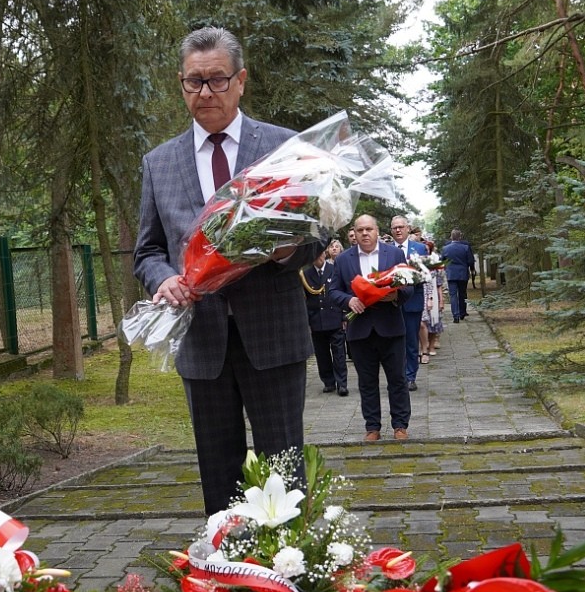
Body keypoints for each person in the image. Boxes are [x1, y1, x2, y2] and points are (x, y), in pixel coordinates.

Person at [133, 26, 317, 516]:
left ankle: (291, 557)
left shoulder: (283, 147)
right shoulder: (159, 163)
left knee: (284, 473)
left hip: (273, 335)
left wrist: (284, 251)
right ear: (181, 84)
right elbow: (147, 251)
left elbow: (316, 237)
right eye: (194, 82)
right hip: (201, 341)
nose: (205, 92)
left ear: (240, 81)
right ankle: (227, 559)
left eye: (217, 80)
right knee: (219, 479)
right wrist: (162, 279)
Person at [329, 214, 411, 441]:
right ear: (354, 234)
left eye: (369, 229)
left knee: (397, 379)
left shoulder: (394, 254)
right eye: (360, 230)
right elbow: (333, 291)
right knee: (367, 382)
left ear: (377, 231)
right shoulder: (343, 259)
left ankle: (400, 425)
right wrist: (349, 301)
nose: (365, 233)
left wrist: (395, 295)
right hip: (360, 330)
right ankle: (372, 427)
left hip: (391, 327)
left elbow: (408, 287)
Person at [302, 248, 348, 397]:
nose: (318, 257)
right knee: (322, 354)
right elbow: (304, 299)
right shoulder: (306, 274)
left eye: (320, 253)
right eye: (315, 254)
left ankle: (342, 383)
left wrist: (344, 316)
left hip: (334, 317)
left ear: (325, 253)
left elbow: (342, 292)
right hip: (316, 320)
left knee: (339, 353)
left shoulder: (334, 269)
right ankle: (328, 382)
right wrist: (307, 321)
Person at [390, 216, 428, 390]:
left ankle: (410, 376)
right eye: (395, 228)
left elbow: (425, 275)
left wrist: (409, 276)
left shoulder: (419, 248)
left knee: (411, 341)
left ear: (408, 228)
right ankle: (397, 375)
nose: (398, 230)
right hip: (391, 302)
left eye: (401, 227)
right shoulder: (386, 250)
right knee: (394, 341)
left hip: (412, 301)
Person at [442, 229, 475, 322]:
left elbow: (442, 261)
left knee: (453, 295)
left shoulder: (445, 248)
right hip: (462, 273)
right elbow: (470, 261)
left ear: (451, 237)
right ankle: (462, 313)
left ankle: (455, 316)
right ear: (460, 237)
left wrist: (447, 267)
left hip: (451, 274)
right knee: (462, 293)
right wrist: (471, 269)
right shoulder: (465, 248)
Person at [421, 241, 446, 359]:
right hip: (422, 295)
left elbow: (439, 284)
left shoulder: (435, 266)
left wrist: (441, 300)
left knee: (434, 321)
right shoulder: (417, 265)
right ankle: (423, 346)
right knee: (422, 323)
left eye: (427, 250)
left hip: (434, 296)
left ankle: (431, 346)